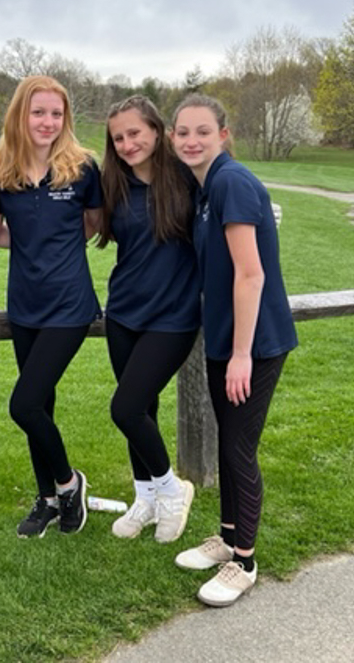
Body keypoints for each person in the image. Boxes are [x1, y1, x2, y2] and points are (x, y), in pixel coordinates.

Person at [169, 94, 297, 608]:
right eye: (182, 133)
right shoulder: (204, 188)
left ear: (223, 134)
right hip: (228, 339)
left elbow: (251, 273)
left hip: (256, 343)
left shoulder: (231, 182)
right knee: (227, 443)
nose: (191, 141)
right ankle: (226, 535)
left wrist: (242, 354)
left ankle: (243, 561)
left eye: (202, 131)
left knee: (239, 448)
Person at [0, 75, 102, 538]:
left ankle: (70, 483)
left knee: (24, 404)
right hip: (24, 306)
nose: (48, 122)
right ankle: (48, 499)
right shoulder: (2, 171)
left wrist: (56, 250)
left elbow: (91, 225)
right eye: (39, 112)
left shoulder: (83, 168)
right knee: (42, 407)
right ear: (20, 115)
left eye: (56, 114)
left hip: (69, 305)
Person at [97, 95, 201, 543]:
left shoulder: (187, 179)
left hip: (173, 317)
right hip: (123, 313)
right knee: (144, 410)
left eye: (135, 133)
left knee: (125, 407)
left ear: (157, 131)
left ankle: (174, 490)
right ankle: (146, 498)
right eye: (118, 137)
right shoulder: (113, 184)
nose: (126, 143)